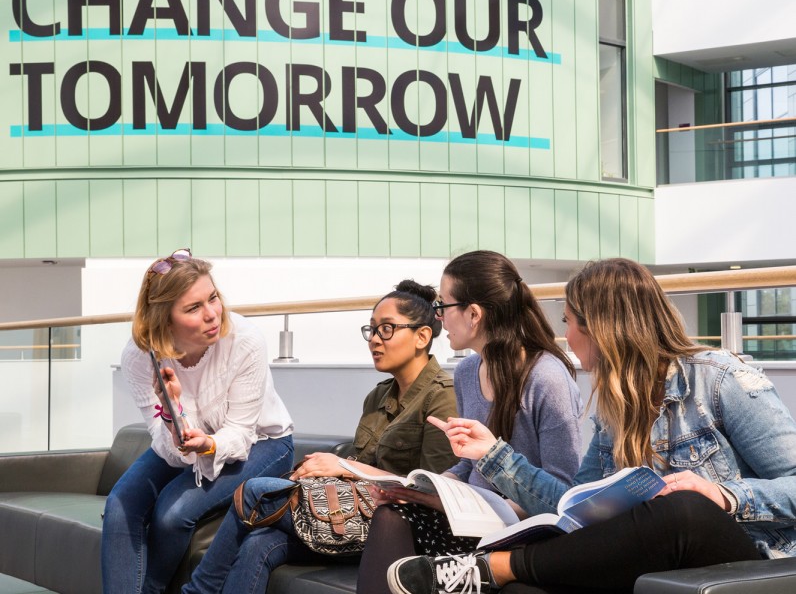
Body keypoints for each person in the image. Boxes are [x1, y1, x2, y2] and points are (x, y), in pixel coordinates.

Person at [387, 257, 796, 594]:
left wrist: (723, 495)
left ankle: (492, 567)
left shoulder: (719, 379)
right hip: (656, 557)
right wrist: (493, 455)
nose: (564, 336)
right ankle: (496, 570)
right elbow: (568, 506)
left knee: (684, 508)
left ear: (600, 327)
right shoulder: (613, 410)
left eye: (568, 322)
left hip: (751, 558)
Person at [181, 279, 459, 593]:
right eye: (372, 330)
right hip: (354, 513)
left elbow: (432, 489)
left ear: (422, 336)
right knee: (260, 543)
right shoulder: (377, 397)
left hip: (402, 526)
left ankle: (197, 590)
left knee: (254, 491)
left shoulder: (443, 397)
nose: (375, 340)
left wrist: (344, 466)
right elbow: (358, 477)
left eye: (387, 329)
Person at [357, 250, 583, 594]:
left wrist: (496, 505)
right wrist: (427, 490)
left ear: (473, 314)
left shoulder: (546, 378)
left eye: (443, 307)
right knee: (391, 514)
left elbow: (563, 492)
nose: (439, 319)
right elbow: (467, 465)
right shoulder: (465, 372)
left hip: (521, 528)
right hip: (471, 519)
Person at [101, 249, 294, 594]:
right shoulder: (138, 356)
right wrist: (174, 415)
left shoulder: (245, 341)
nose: (212, 315)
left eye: (213, 298)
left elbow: (239, 433)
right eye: (193, 308)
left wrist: (208, 444)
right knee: (120, 503)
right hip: (185, 442)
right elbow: (168, 448)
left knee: (172, 514)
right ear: (165, 319)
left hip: (261, 443)